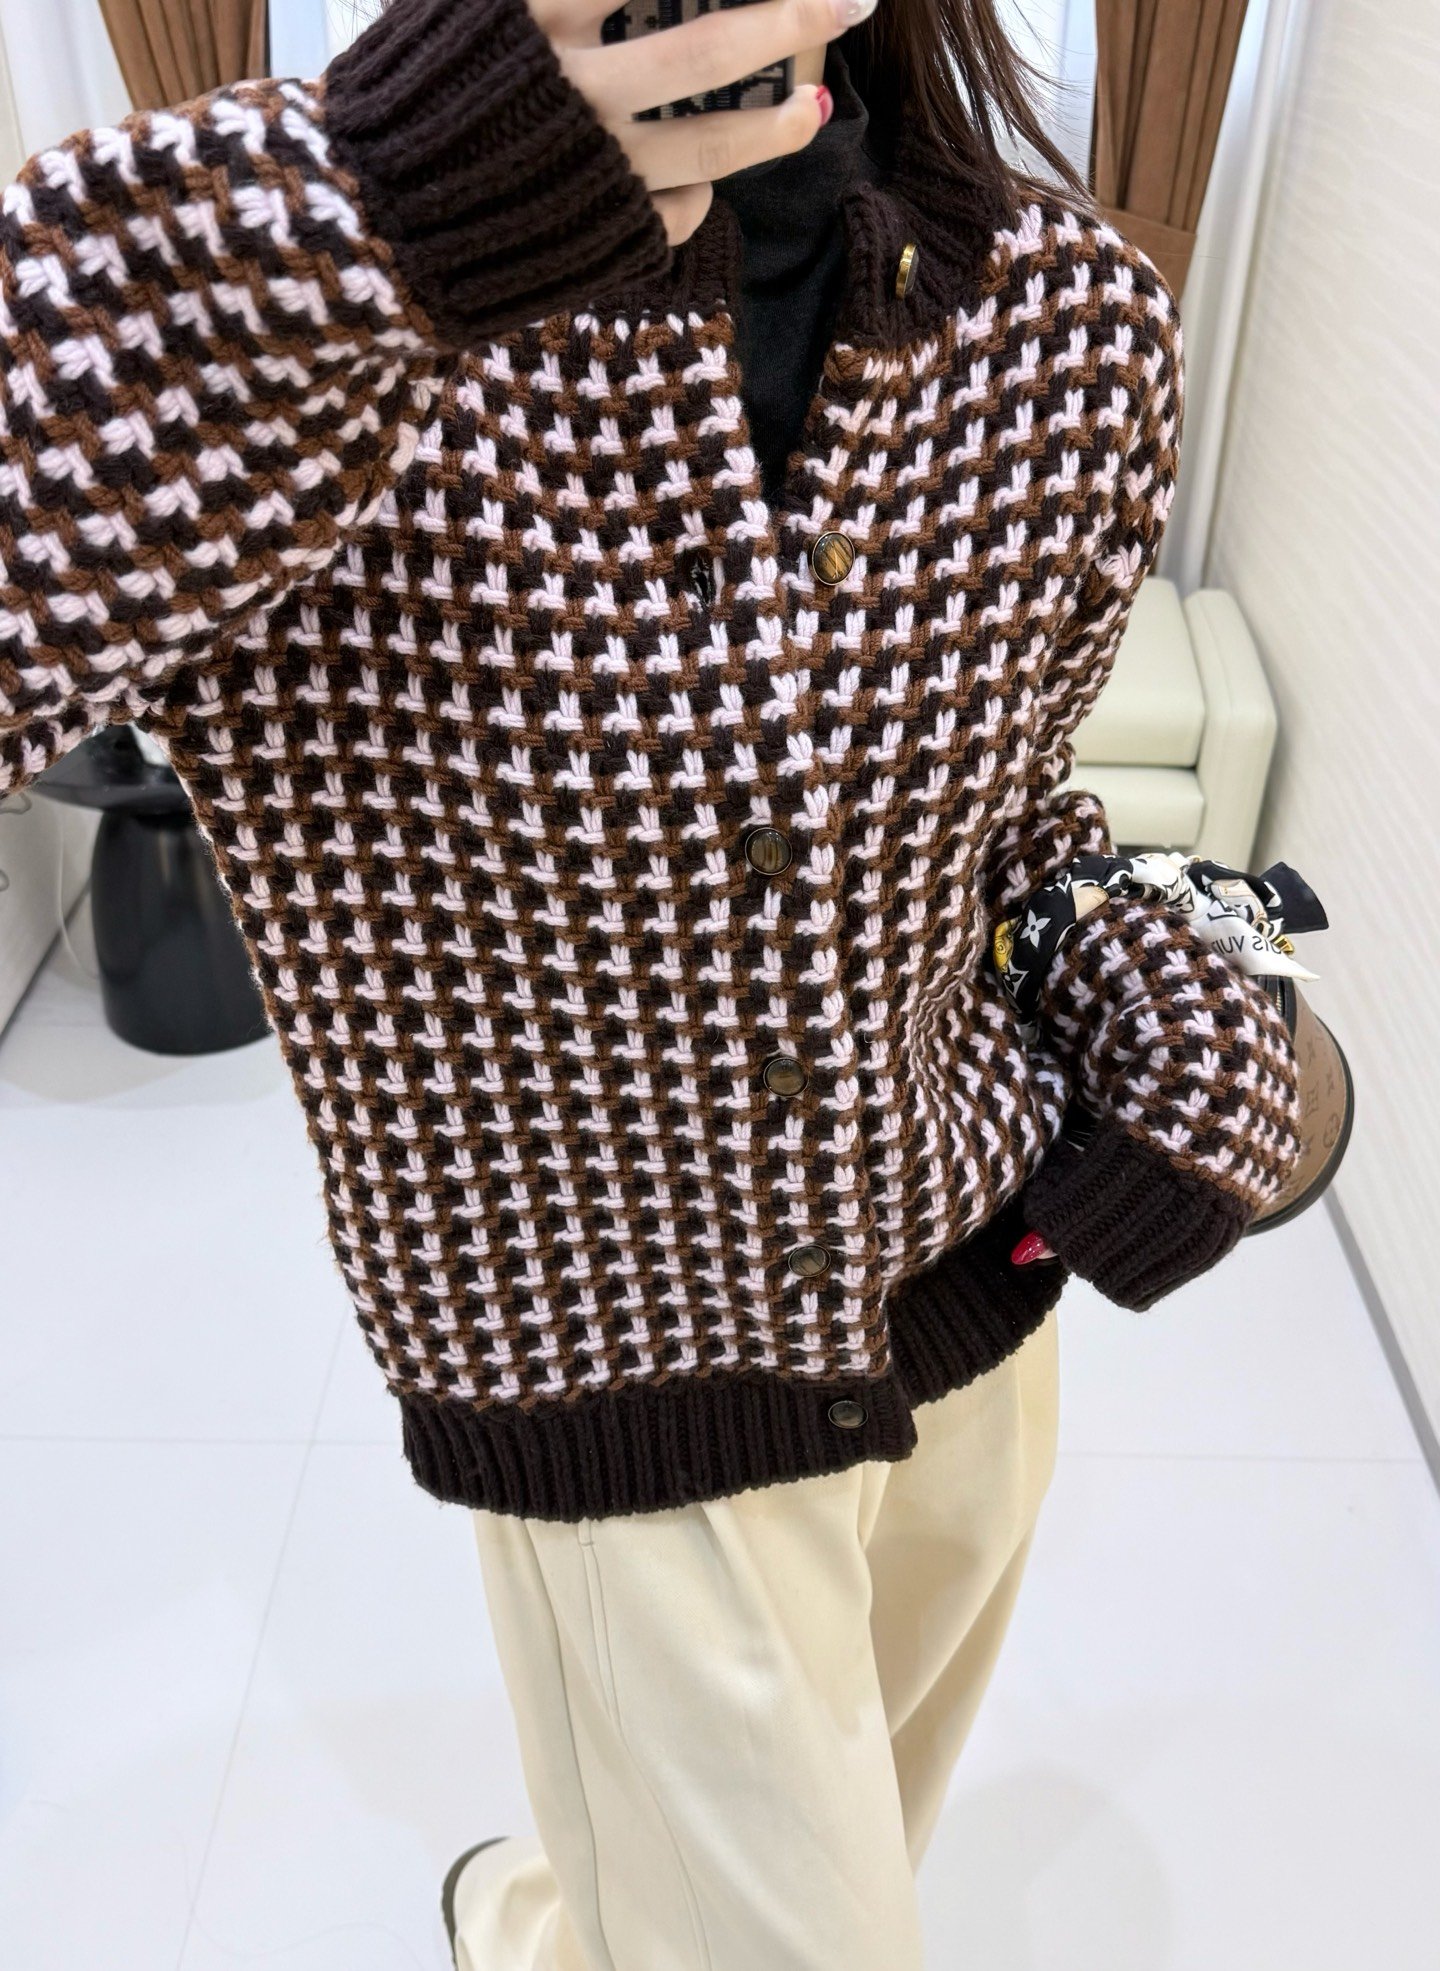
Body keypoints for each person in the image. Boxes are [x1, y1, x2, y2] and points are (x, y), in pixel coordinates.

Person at [0, 0, 1303, 1963]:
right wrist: (377, 198)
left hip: (973, 1304)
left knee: (803, 1868)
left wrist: (1166, 990)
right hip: (615, 1358)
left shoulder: (1072, 318)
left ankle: (545, 1920)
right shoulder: (318, 312)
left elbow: (1009, 819)